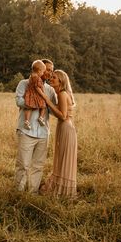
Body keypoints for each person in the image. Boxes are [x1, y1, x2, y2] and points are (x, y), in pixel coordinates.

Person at [14, 59, 57, 194]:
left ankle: (32, 193)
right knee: (23, 165)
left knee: (38, 165)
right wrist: (36, 102)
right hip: (26, 131)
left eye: (51, 70)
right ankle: (19, 193)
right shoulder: (24, 83)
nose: (49, 73)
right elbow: (19, 101)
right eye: (47, 70)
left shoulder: (50, 89)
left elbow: (54, 108)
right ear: (40, 70)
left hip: (43, 133)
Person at [39, 70, 77, 198]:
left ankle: (62, 191)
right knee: (62, 157)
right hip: (65, 127)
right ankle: (62, 189)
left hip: (66, 127)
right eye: (51, 77)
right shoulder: (61, 93)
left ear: (60, 81)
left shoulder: (62, 93)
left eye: (54, 77)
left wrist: (47, 100)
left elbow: (62, 115)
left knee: (63, 158)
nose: (51, 79)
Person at [24, 60, 47, 130]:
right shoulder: (38, 78)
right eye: (43, 72)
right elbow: (38, 87)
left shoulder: (31, 77)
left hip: (29, 95)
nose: (43, 73)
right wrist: (43, 93)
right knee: (43, 106)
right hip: (36, 95)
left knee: (29, 108)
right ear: (39, 71)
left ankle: (27, 121)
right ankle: (41, 118)